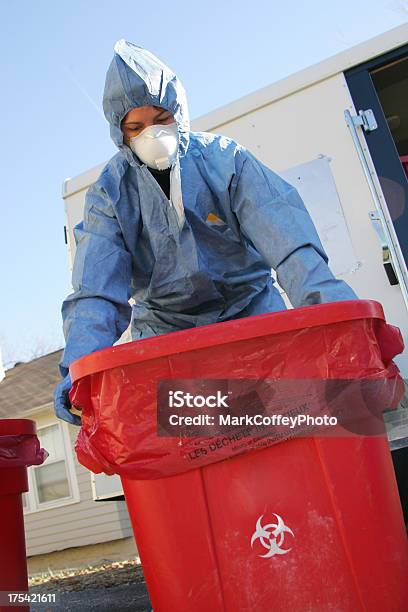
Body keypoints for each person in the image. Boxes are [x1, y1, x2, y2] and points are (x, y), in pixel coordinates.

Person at [54, 39, 358, 425]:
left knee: (285, 421)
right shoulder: (110, 195)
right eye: (135, 126)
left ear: (178, 112)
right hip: (166, 336)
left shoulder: (226, 160)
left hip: (252, 314)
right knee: (193, 439)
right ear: (120, 133)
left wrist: (341, 321)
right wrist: (79, 368)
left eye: (161, 118)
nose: (152, 134)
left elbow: (290, 246)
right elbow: (96, 289)